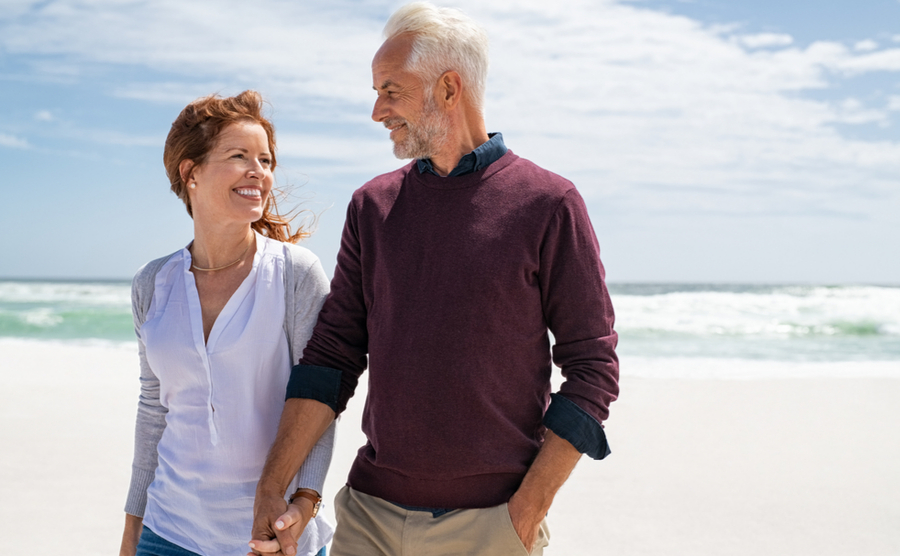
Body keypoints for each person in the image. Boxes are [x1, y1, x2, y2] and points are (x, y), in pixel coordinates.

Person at [250, 3, 619, 555]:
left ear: (449, 88)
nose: (378, 111)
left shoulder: (548, 203)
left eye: (391, 90)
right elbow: (331, 358)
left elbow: (592, 367)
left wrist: (529, 508)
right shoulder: (372, 206)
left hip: (491, 526)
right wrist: (272, 486)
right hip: (369, 516)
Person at [119, 91, 336, 556]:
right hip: (168, 532)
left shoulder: (295, 273)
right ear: (190, 172)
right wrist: (132, 530)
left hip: (274, 536)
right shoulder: (152, 283)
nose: (258, 170)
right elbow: (154, 409)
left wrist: (304, 503)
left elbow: (319, 400)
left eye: (265, 159)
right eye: (239, 156)